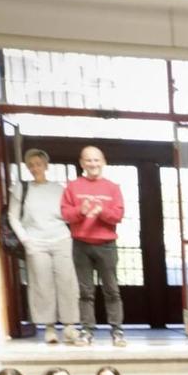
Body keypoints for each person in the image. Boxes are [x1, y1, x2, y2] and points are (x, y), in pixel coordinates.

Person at [8, 148, 81, 345]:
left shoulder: (58, 189)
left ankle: (70, 326)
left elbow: (68, 215)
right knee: (42, 283)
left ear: (46, 166)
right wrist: (26, 240)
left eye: (38, 164)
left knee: (67, 282)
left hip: (61, 239)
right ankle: (48, 327)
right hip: (35, 241)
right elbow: (13, 216)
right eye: (31, 165)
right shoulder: (21, 188)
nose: (35, 168)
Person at [61, 145, 127, 348]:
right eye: (88, 160)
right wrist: (81, 210)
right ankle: (87, 331)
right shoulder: (72, 187)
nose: (93, 164)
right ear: (82, 163)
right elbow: (65, 215)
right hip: (80, 244)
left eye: (96, 160)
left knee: (112, 290)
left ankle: (117, 330)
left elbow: (118, 216)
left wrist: (101, 211)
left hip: (106, 245)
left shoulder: (113, 187)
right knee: (85, 291)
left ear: (104, 162)